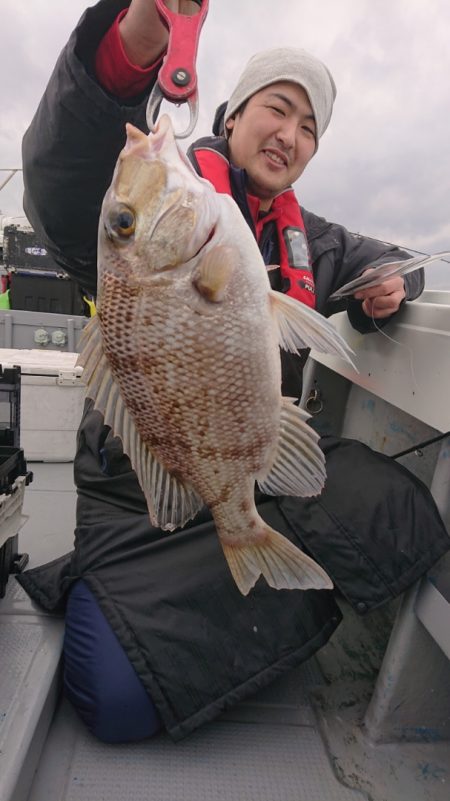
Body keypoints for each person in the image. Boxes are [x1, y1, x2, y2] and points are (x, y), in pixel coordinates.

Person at [18, 0, 449, 745]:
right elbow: (60, 171)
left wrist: (393, 290)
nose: (290, 134)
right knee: (112, 693)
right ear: (235, 109)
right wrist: (135, 42)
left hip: (237, 468)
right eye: (277, 109)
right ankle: (248, 591)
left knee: (404, 513)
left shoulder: (307, 237)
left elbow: (392, 261)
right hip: (138, 495)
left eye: (309, 127)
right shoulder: (162, 205)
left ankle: (245, 574)